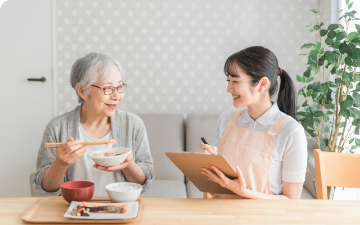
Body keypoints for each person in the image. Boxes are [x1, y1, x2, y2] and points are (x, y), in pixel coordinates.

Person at [33, 52, 154, 196]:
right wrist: (60, 164)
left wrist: (128, 164)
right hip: (74, 211)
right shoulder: (57, 128)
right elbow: (45, 188)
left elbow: (144, 181)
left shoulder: (133, 124)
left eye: (120, 87)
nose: (117, 96)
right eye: (108, 88)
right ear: (83, 91)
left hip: (120, 210)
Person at [198, 46, 307, 199]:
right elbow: (216, 191)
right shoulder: (225, 120)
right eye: (228, 80)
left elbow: (291, 201)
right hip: (221, 216)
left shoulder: (291, 132)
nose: (229, 88)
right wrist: (204, 165)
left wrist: (244, 192)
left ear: (262, 84)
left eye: (235, 81)